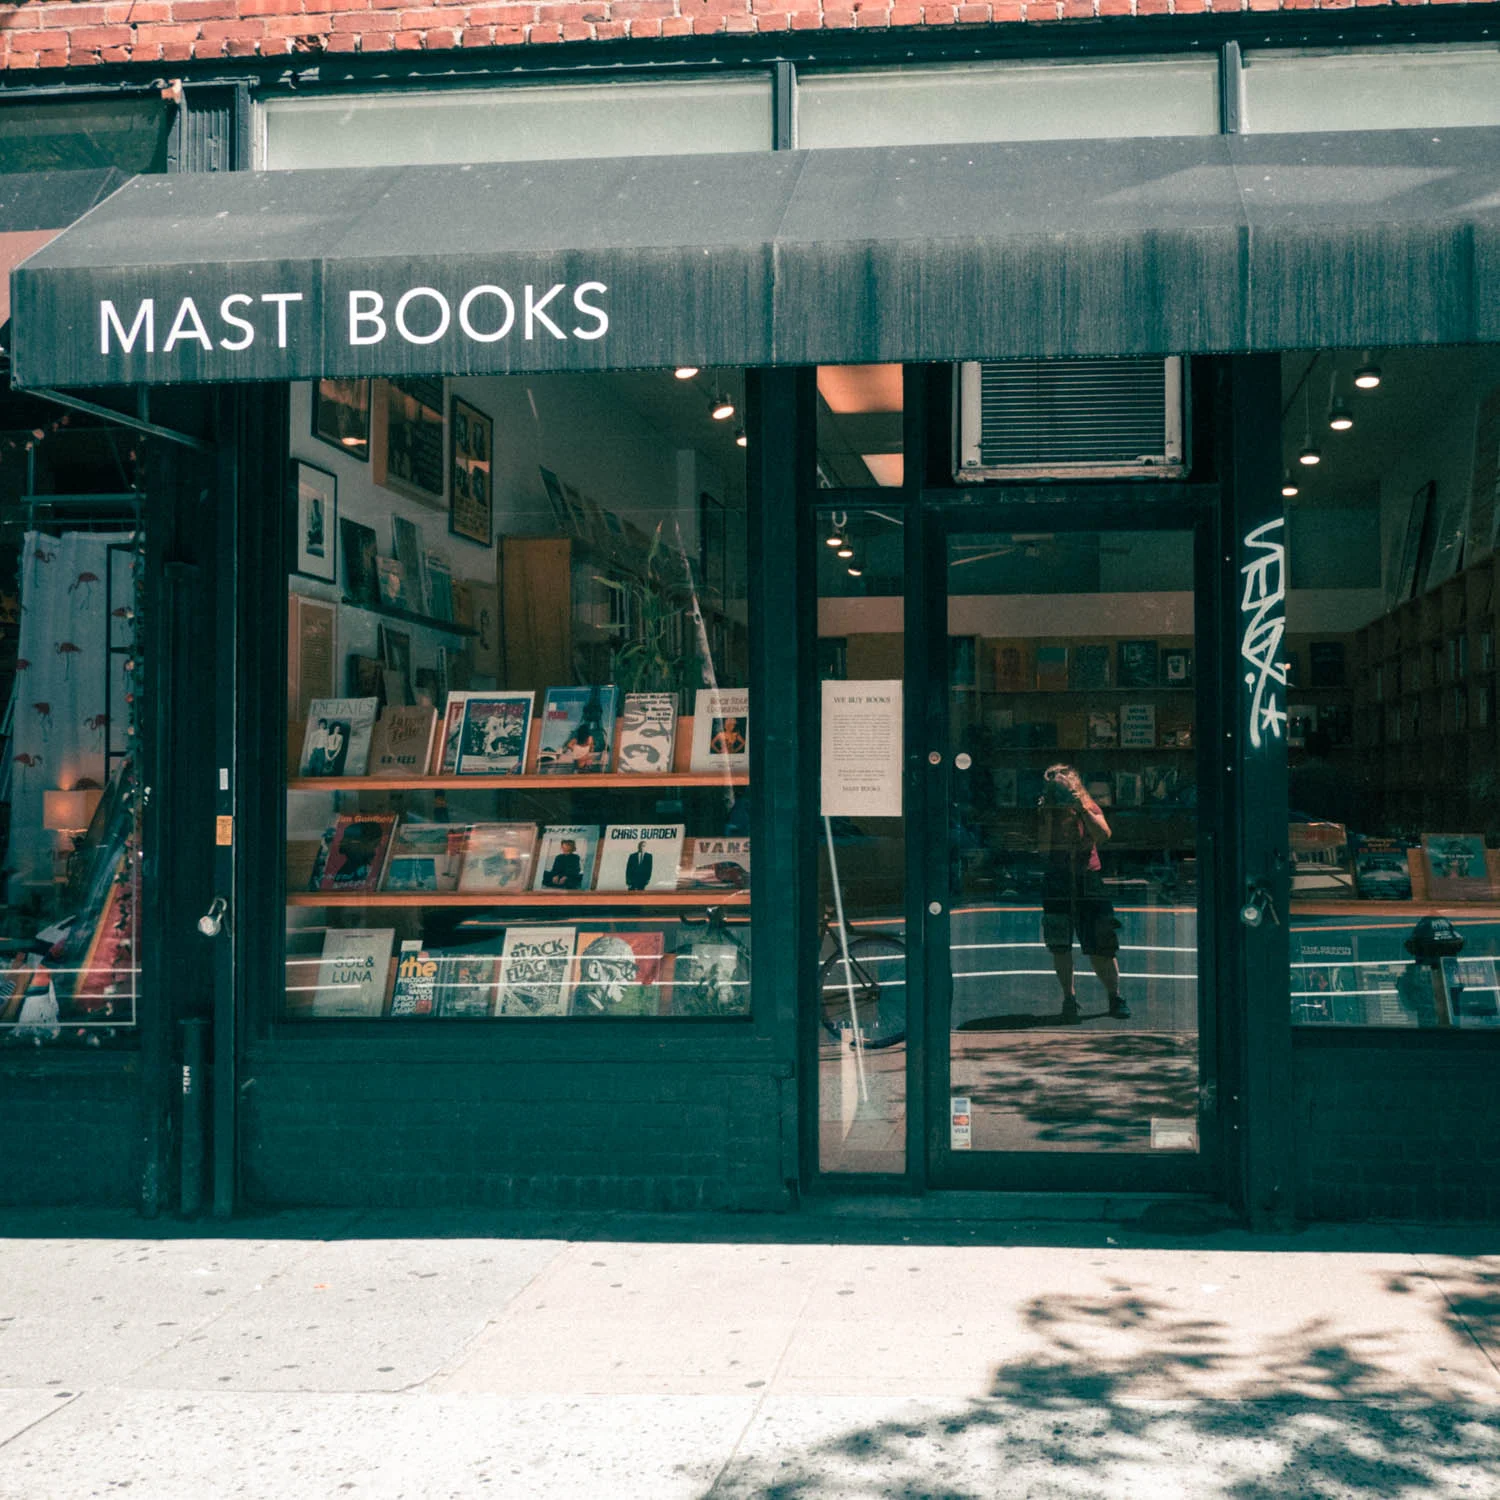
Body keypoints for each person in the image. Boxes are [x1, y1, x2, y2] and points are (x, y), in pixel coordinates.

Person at [1038, 763, 1128, 1023]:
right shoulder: (1047, 811)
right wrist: (1047, 814)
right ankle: (1069, 998)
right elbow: (1043, 847)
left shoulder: (1088, 806)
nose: (1061, 794)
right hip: (1058, 878)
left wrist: (1081, 808)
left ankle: (1115, 996)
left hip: (1087, 877)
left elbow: (1103, 835)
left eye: (1065, 787)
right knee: (1060, 943)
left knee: (1102, 942)